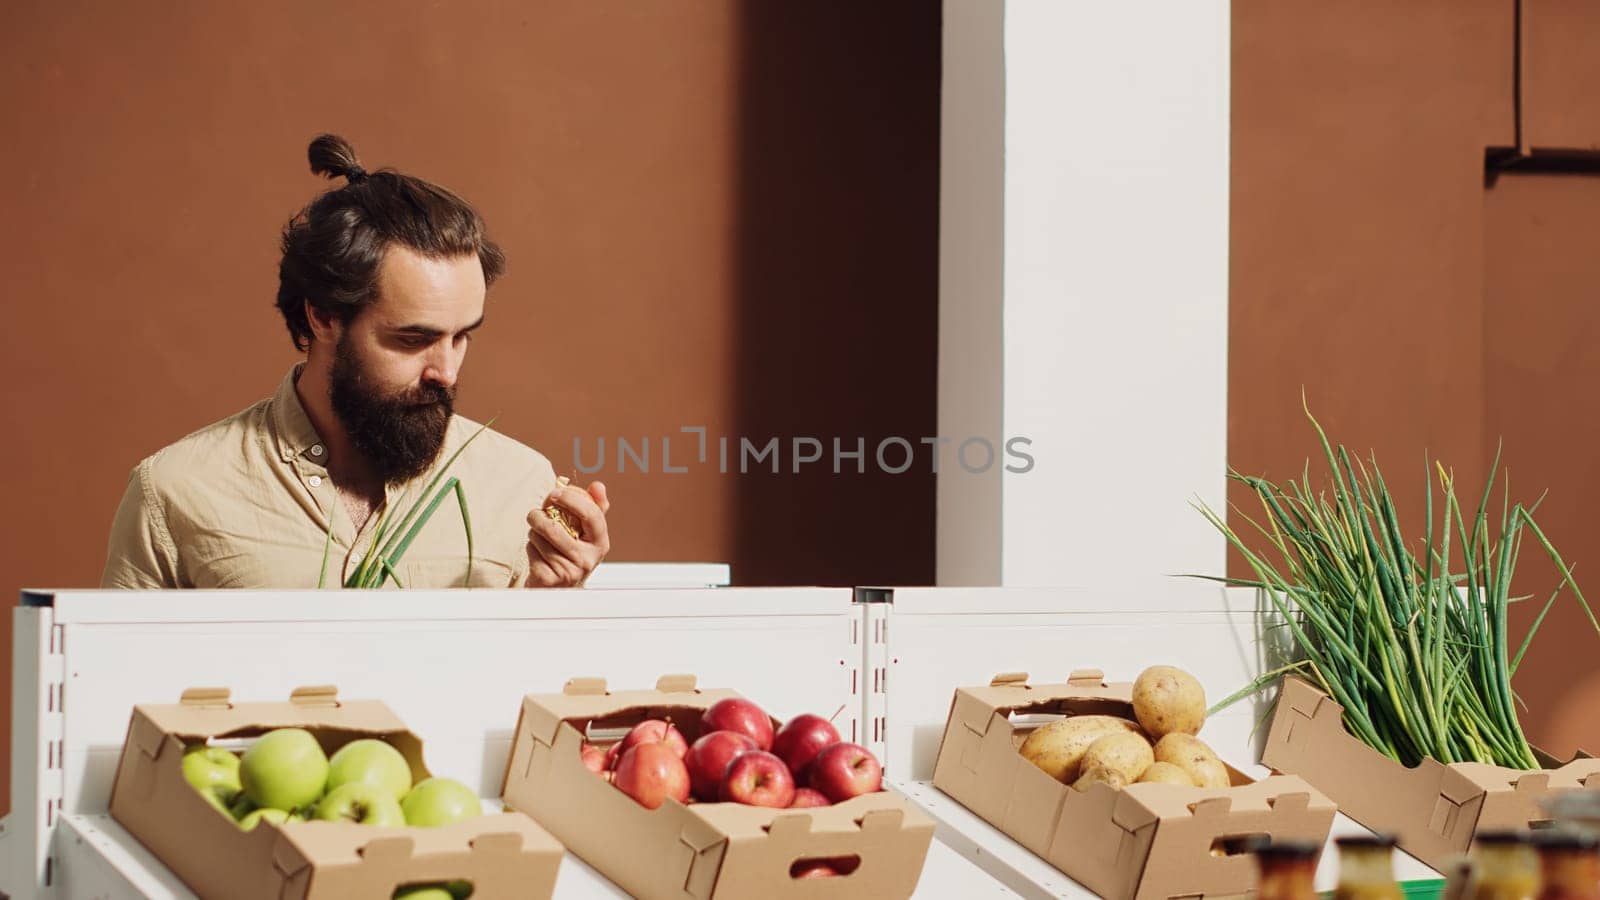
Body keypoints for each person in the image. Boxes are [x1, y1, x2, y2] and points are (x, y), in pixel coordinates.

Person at [100, 134, 609, 589]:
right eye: (413, 339)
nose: (447, 372)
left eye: (462, 338)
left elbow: (538, 688)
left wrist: (555, 608)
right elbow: (114, 689)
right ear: (323, 317)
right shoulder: (175, 491)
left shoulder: (522, 486)